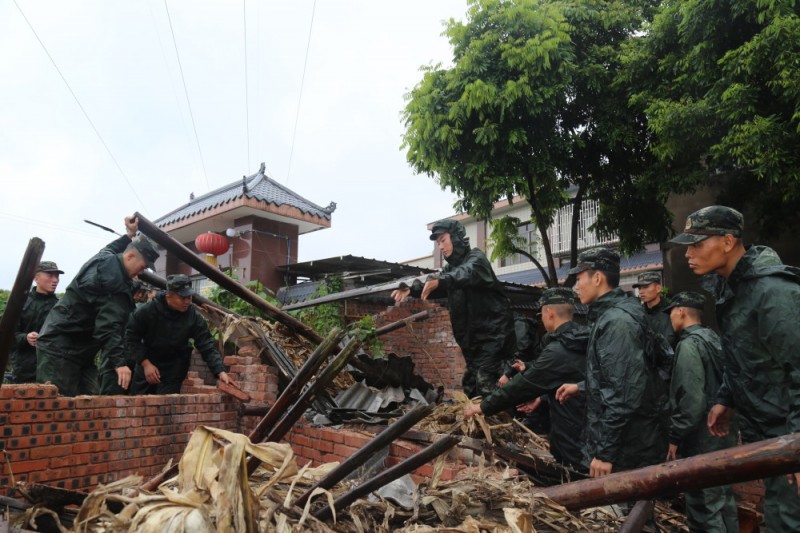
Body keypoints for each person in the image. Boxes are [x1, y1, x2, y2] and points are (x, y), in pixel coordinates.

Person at [670, 205, 800, 530]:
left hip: (788, 434)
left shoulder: (772, 291)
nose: (688, 253)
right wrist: (726, 398)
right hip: (768, 435)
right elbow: (743, 353)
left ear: (727, 242)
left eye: (697, 244)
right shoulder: (733, 288)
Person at [556, 247, 666, 477]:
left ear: (597, 278)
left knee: (622, 512)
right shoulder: (612, 314)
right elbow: (621, 375)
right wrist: (581, 387)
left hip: (627, 451)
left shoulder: (617, 322)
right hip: (627, 444)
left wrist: (606, 453)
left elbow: (623, 394)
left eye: (579, 279)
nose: (576, 286)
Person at [464, 287, 588, 470]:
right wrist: (542, 397)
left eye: (542, 315)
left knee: (575, 478)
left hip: (574, 434)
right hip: (587, 427)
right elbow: (570, 377)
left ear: (549, 312)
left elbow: (521, 386)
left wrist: (483, 407)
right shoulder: (584, 339)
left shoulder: (558, 349)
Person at [391, 219, 516, 399]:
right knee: (470, 386)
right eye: (438, 243)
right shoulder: (451, 269)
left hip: (493, 339)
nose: (440, 247)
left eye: (443, 240)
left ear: (456, 238)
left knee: (486, 386)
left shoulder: (476, 259)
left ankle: (505, 424)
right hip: (471, 342)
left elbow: (464, 273)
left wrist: (441, 280)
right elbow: (440, 284)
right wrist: (412, 289)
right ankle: (479, 424)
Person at [36, 216, 159, 396]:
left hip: (81, 350)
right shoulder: (111, 279)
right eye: (142, 266)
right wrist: (120, 363)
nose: (141, 272)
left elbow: (110, 248)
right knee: (57, 405)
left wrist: (129, 235)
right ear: (131, 256)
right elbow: (108, 326)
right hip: (59, 348)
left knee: (91, 403)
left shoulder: (107, 258)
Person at [664, 291, 738, 532]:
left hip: (700, 438)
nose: (670, 319)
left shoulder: (688, 346)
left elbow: (691, 400)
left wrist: (675, 436)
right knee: (724, 498)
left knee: (705, 505)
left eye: (671, 313)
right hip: (722, 433)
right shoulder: (713, 338)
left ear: (681, 311)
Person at [128, 274, 235, 394]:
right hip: (147, 362)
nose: (188, 301)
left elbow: (206, 344)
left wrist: (220, 371)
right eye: (183, 298)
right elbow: (132, 338)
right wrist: (146, 364)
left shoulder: (192, 316)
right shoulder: (146, 311)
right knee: (138, 404)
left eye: (189, 297)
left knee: (167, 406)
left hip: (174, 368)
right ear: (169, 295)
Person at [10, 261, 64, 383]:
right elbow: (7, 335)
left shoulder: (61, 306)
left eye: (57, 276)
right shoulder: (20, 303)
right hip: (24, 369)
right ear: (36, 278)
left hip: (53, 370)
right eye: (50, 275)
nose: (55, 280)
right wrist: (25, 338)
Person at [632, 271, 675, 347]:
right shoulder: (638, 313)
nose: (641, 291)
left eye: (645, 287)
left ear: (658, 288)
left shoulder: (672, 311)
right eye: (639, 288)